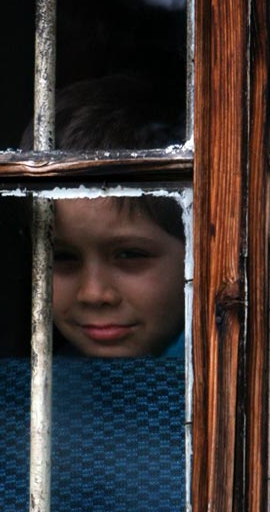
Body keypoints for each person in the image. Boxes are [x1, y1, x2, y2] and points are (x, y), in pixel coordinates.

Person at [22, 74, 187, 358]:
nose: (93, 294)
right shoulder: (43, 376)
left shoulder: (233, 375)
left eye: (130, 255)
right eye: (63, 257)